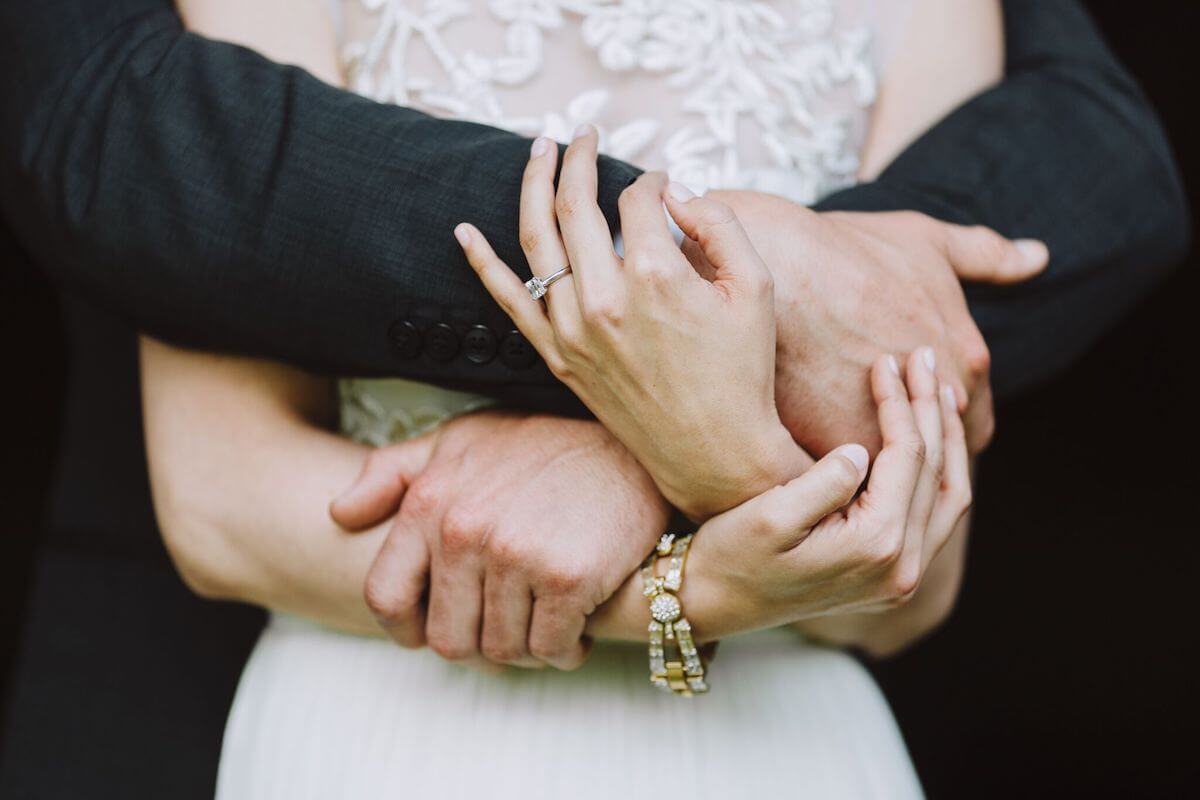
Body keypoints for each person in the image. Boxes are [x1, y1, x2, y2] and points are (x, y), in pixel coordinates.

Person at [0, 1, 1187, 798]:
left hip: (792, 750)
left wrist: (656, 461)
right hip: (385, 735)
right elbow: (220, 499)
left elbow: (908, 588)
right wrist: (692, 589)